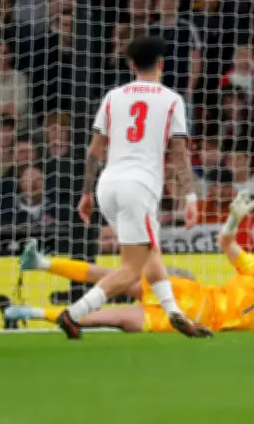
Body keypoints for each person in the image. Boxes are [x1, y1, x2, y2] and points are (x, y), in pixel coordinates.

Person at [7, 192, 254, 332]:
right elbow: (226, 241)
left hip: (188, 322)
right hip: (190, 295)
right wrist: (234, 218)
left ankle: (35, 311)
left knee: (118, 318)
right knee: (118, 277)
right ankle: (41, 262)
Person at [58, 36, 209, 340]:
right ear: (161, 65)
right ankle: (73, 314)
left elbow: (95, 148)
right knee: (130, 269)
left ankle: (175, 314)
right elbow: (180, 152)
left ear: (131, 65)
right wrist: (190, 196)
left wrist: (86, 193)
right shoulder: (171, 99)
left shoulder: (114, 96)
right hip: (137, 187)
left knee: (151, 253)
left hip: (108, 185)